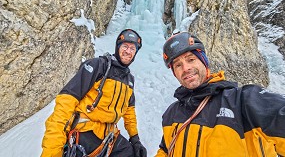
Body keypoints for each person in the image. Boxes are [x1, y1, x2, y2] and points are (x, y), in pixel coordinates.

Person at [155, 32, 285, 156]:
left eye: (191, 59)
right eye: (178, 65)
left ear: (204, 62)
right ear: (175, 73)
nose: (186, 68)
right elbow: (166, 151)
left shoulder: (243, 101)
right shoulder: (171, 115)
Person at [41, 29, 147, 157]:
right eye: (125, 46)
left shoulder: (129, 80)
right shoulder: (98, 66)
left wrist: (135, 139)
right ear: (117, 47)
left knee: (132, 153)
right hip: (85, 130)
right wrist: (52, 150)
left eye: (132, 48)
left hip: (109, 134)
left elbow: (129, 112)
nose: (128, 51)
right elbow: (66, 101)